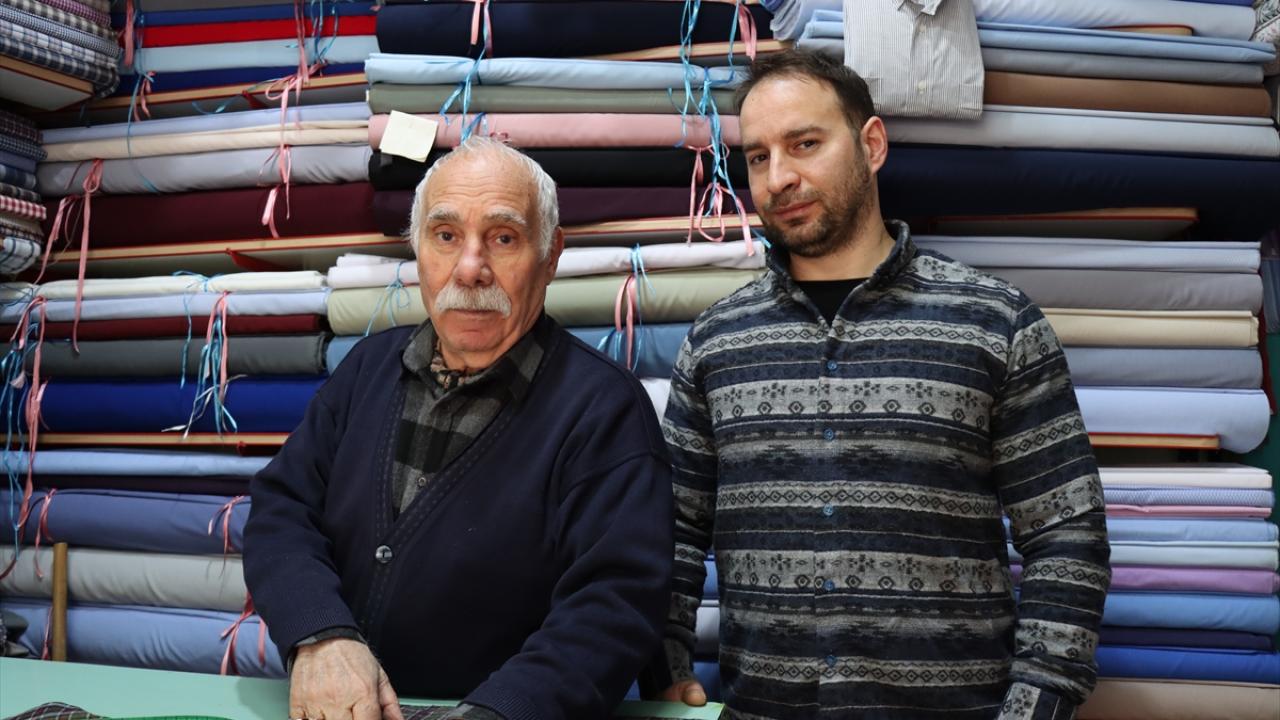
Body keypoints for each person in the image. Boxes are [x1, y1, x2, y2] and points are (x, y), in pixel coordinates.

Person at [649, 50, 1111, 720]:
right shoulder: (716, 341)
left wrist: (1034, 707)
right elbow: (671, 532)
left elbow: (1066, 532)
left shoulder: (995, 322)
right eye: (758, 157)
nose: (779, 177)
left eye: (805, 144)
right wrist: (664, 668)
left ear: (871, 145)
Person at [244, 136, 674, 720]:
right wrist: (320, 636)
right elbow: (282, 510)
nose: (470, 269)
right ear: (417, 248)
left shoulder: (605, 411)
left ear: (550, 256)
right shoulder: (368, 369)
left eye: (503, 238)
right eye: (445, 236)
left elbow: (614, 605)